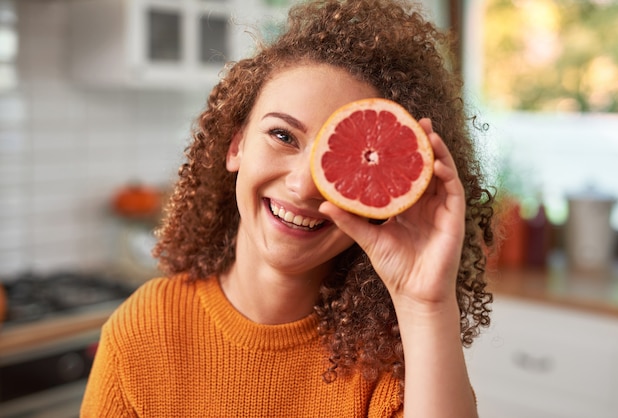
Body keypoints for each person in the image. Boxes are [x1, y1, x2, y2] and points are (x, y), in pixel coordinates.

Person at [80, 0, 494, 416]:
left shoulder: (393, 361)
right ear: (236, 144)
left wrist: (425, 306)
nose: (303, 185)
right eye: (282, 135)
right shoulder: (141, 331)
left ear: (377, 191)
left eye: (341, 162)